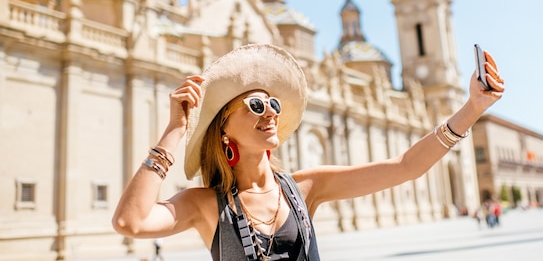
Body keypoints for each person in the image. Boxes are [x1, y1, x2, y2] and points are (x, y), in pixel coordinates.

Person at [112, 43, 505, 260]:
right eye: (255, 106)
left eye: (274, 105)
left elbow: (405, 167)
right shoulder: (205, 205)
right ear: (224, 128)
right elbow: (131, 222)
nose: (270, 113)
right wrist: (175, 130)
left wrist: (472, 108)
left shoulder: (306, 187)